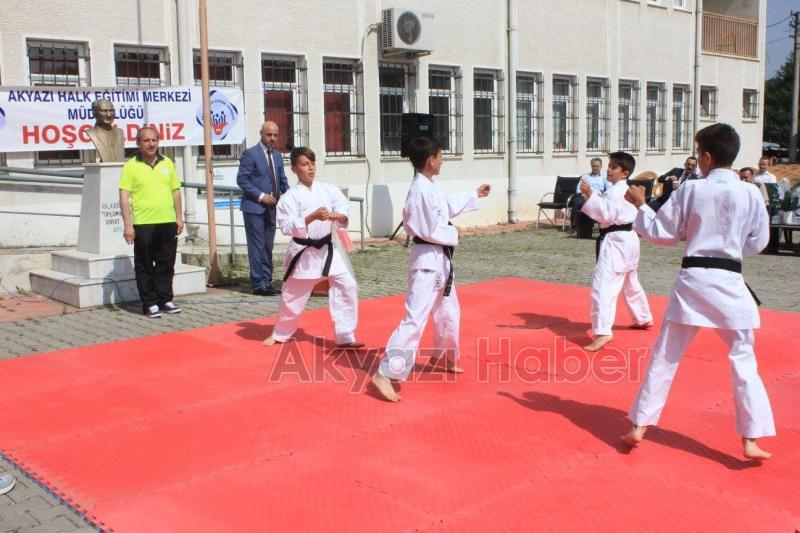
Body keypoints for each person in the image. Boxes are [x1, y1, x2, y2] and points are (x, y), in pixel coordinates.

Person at [621, 123, 774, 460]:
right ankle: (751, 438)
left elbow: (663, 234)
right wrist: (731, 249)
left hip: (693, 280)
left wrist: (641, 205)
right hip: (730, 282)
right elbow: (759, 242)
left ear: (705, 156)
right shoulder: (750, 192)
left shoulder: (691, 190)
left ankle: (639, 425)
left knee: (666, 354)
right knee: (743, 358)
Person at [371, 137, 491, 402]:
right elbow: (429, 229)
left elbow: (444, 206)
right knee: (415, 318)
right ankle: (385, 372)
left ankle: (444, 355)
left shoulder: (429, 187)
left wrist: (474, 195)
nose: (442, 161)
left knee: (449, 309)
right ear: (431, 160)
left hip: (440, 260)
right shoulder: (419, 191)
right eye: (440, 156)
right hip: (427, 259)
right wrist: (454, 231)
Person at [261, 147, 362, 348]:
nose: (311, 168)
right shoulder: (289, 197)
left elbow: (342, 206)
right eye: (305, 164)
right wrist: (311, 217)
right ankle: (281, 333)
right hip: (304, 252)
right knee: (292, 295)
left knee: (347, 286)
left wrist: (338, 215)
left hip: (327, 249)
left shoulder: (328, 189)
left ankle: (345, 336)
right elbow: (287, 227)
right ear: (294, 169)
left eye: (313, 163)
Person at [579, 151, 653, 352]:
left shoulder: (616, 191)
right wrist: (593, 196)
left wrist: (589, 196)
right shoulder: (624, 190)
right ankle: (643, 317)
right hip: (629, 239)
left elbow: (605, 215)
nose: (609, 170)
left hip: (615, 240)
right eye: (609, 166)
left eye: (613, 167)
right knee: (630, 280)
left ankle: (603, 331)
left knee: (603, 285)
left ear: (625, 173)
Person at [119, 126, 184, 318]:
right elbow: (124, 196)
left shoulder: (168, 163)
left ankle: (165, 300)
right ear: (138, 143)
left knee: (166, 263)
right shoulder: (131, 166)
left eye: (154, 140)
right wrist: (128, 225)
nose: (151, 144)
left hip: (167, 221)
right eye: (146, 140)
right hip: (144, 223)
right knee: (145, 264)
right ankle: (149, 303)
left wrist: (179, 217)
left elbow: (175, 191)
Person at [237, 121, 290, 296]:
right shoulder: (250, 154)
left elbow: (282, 180)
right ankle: (258, 283)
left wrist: (292, 198)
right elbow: (242, 180)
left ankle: (267, 281)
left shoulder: (277, 156)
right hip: (255, 208)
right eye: (269, 135)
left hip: (272, 208)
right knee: (257, 245)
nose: (272, 138)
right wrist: (261, 196)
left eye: (275, 135)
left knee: (268, 245)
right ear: (261, 133)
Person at [571, 158, 607, 239]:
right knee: (577, 201)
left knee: (592, 205)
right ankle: (574, 226)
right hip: (585, 195)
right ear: (591, 166)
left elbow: (608, 189)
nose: (595, 168)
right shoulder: (585, 176)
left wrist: (603, 195)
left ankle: (591, 226)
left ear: (601, 166)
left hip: (597, 197)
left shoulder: (604, 177)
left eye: (597, 166)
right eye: (593, 166)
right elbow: (578, 188)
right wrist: (582, 193)